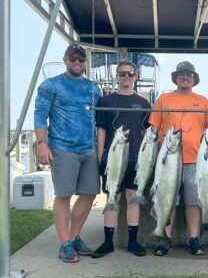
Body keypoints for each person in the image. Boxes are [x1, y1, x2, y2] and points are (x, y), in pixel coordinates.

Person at [34, 44, 101, 263]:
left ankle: (74, 238)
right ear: (65, 59)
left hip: (89, 149)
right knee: (63, 195)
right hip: (62, 148)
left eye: (81, 59)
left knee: (90, 193)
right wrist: (42, 143)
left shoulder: (94, 88)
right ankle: (64, 243)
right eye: (73, 58)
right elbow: (40, 115)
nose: (77, 62)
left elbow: (99, 119)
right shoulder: (51, 85)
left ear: (85, 62)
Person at [148, 61, 208, 256]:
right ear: (175, 78)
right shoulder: (163, 99)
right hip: (168, 163)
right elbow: (153, 128)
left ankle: (194, 238)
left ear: (194, 79)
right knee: (167, 200)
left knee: (193, 202)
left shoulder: (203, 101)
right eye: (181, 74)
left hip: (196, 162)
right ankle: (164, 238)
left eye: (189, 74)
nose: (185, 77)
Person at [91, 61, 151, 258]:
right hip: (112, 159)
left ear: (135, 76)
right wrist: (101, 155)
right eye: (122, 73)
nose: (126, 76)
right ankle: (108, 242)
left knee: (132, 199)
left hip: (136, 159)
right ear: (117, 76)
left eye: (130, 73)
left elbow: (146, 131)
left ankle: (133, 242)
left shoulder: (143, 103)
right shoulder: (105, 101)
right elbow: (101, 129)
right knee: (112, 197)